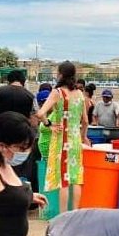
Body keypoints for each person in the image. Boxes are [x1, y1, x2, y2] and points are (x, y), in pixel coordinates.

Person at [36, 61, 89, 214]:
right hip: (75, 140)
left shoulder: (58, 92)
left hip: (62, 140)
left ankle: (64, 216)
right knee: (77, 178)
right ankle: (75, 214)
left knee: (64, 180)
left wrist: (49, 124)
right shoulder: (80, 94)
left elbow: (40, 114)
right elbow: (85, 121)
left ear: (60, 74)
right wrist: (83, 137)